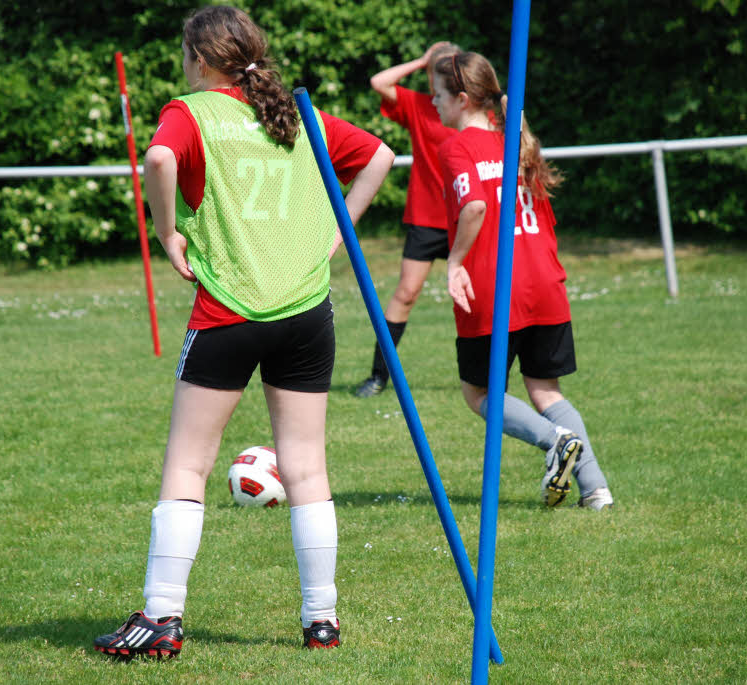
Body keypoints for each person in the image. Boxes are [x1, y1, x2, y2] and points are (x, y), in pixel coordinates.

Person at [93, 5, 394, 658]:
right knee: (308, 468)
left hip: (229, 308)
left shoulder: (191, 110)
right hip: (306, 310)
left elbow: (159, 160)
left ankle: (163, 617)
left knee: (188, 464)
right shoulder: (293, 112)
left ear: (200, 59)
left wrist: (167, 228)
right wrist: (338, 233)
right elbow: (380, 155)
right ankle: (322, 621)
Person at [430, 52, 613, 510]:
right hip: (545, 282)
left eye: (437, 95)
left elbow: (474, 207)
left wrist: (454, 263)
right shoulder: (518, 141)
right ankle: (596, 490)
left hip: (494, 287)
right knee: (546, 389)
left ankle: (555, 442)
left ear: (463, 99)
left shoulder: (456, 147)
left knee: (479, 394)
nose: (432, 103)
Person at [351, 41, 461, 398]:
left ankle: (489, 380)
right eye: (433, 70)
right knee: (406, 293)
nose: (435, 78)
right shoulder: (418, 105)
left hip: (468, 218)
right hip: (427, 218)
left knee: (482, 297)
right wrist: (421, 59)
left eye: (443, 70)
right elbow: (379, 82)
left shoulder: (474, 111)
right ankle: (378, 376)